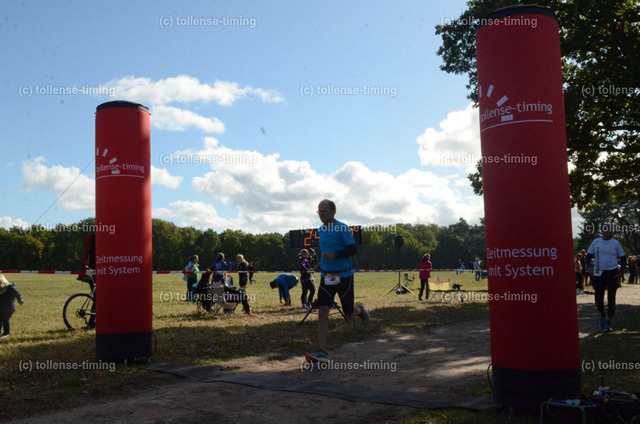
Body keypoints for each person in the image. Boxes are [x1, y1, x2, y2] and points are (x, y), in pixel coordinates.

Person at [305, 199, 370, 364]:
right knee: (322, 311)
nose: (321, 215)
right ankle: (322, 352)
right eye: (319, 212)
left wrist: (336, 255)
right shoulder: (321, 230)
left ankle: (360, 311)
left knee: (348, 313)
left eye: (324, 211)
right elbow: (325, 251)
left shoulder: (342, 227)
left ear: (333, 211)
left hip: (344, 276)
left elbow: (353, 249)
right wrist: (321, 264)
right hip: (326, 276)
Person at [586, 223, 626, 333]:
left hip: (612, 273)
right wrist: (589, 267)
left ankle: (608, 323)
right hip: (599, 273)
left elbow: (623, 258)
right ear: (601, 230)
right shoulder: (596, 242)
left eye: (608, 229)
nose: (606, 231)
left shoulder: (616, 243)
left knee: (611, 298)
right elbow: (588, 257)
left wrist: (621, 272)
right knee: (598, 299)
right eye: (604, 229)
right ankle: (603, 314)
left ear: (610, 230)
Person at [0, 274, 24, 339]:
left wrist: (20, 300)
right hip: (1, 307)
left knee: (5, 320)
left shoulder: (10, 287)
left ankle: (6, 333)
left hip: (9, 307)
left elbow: (18, 294)